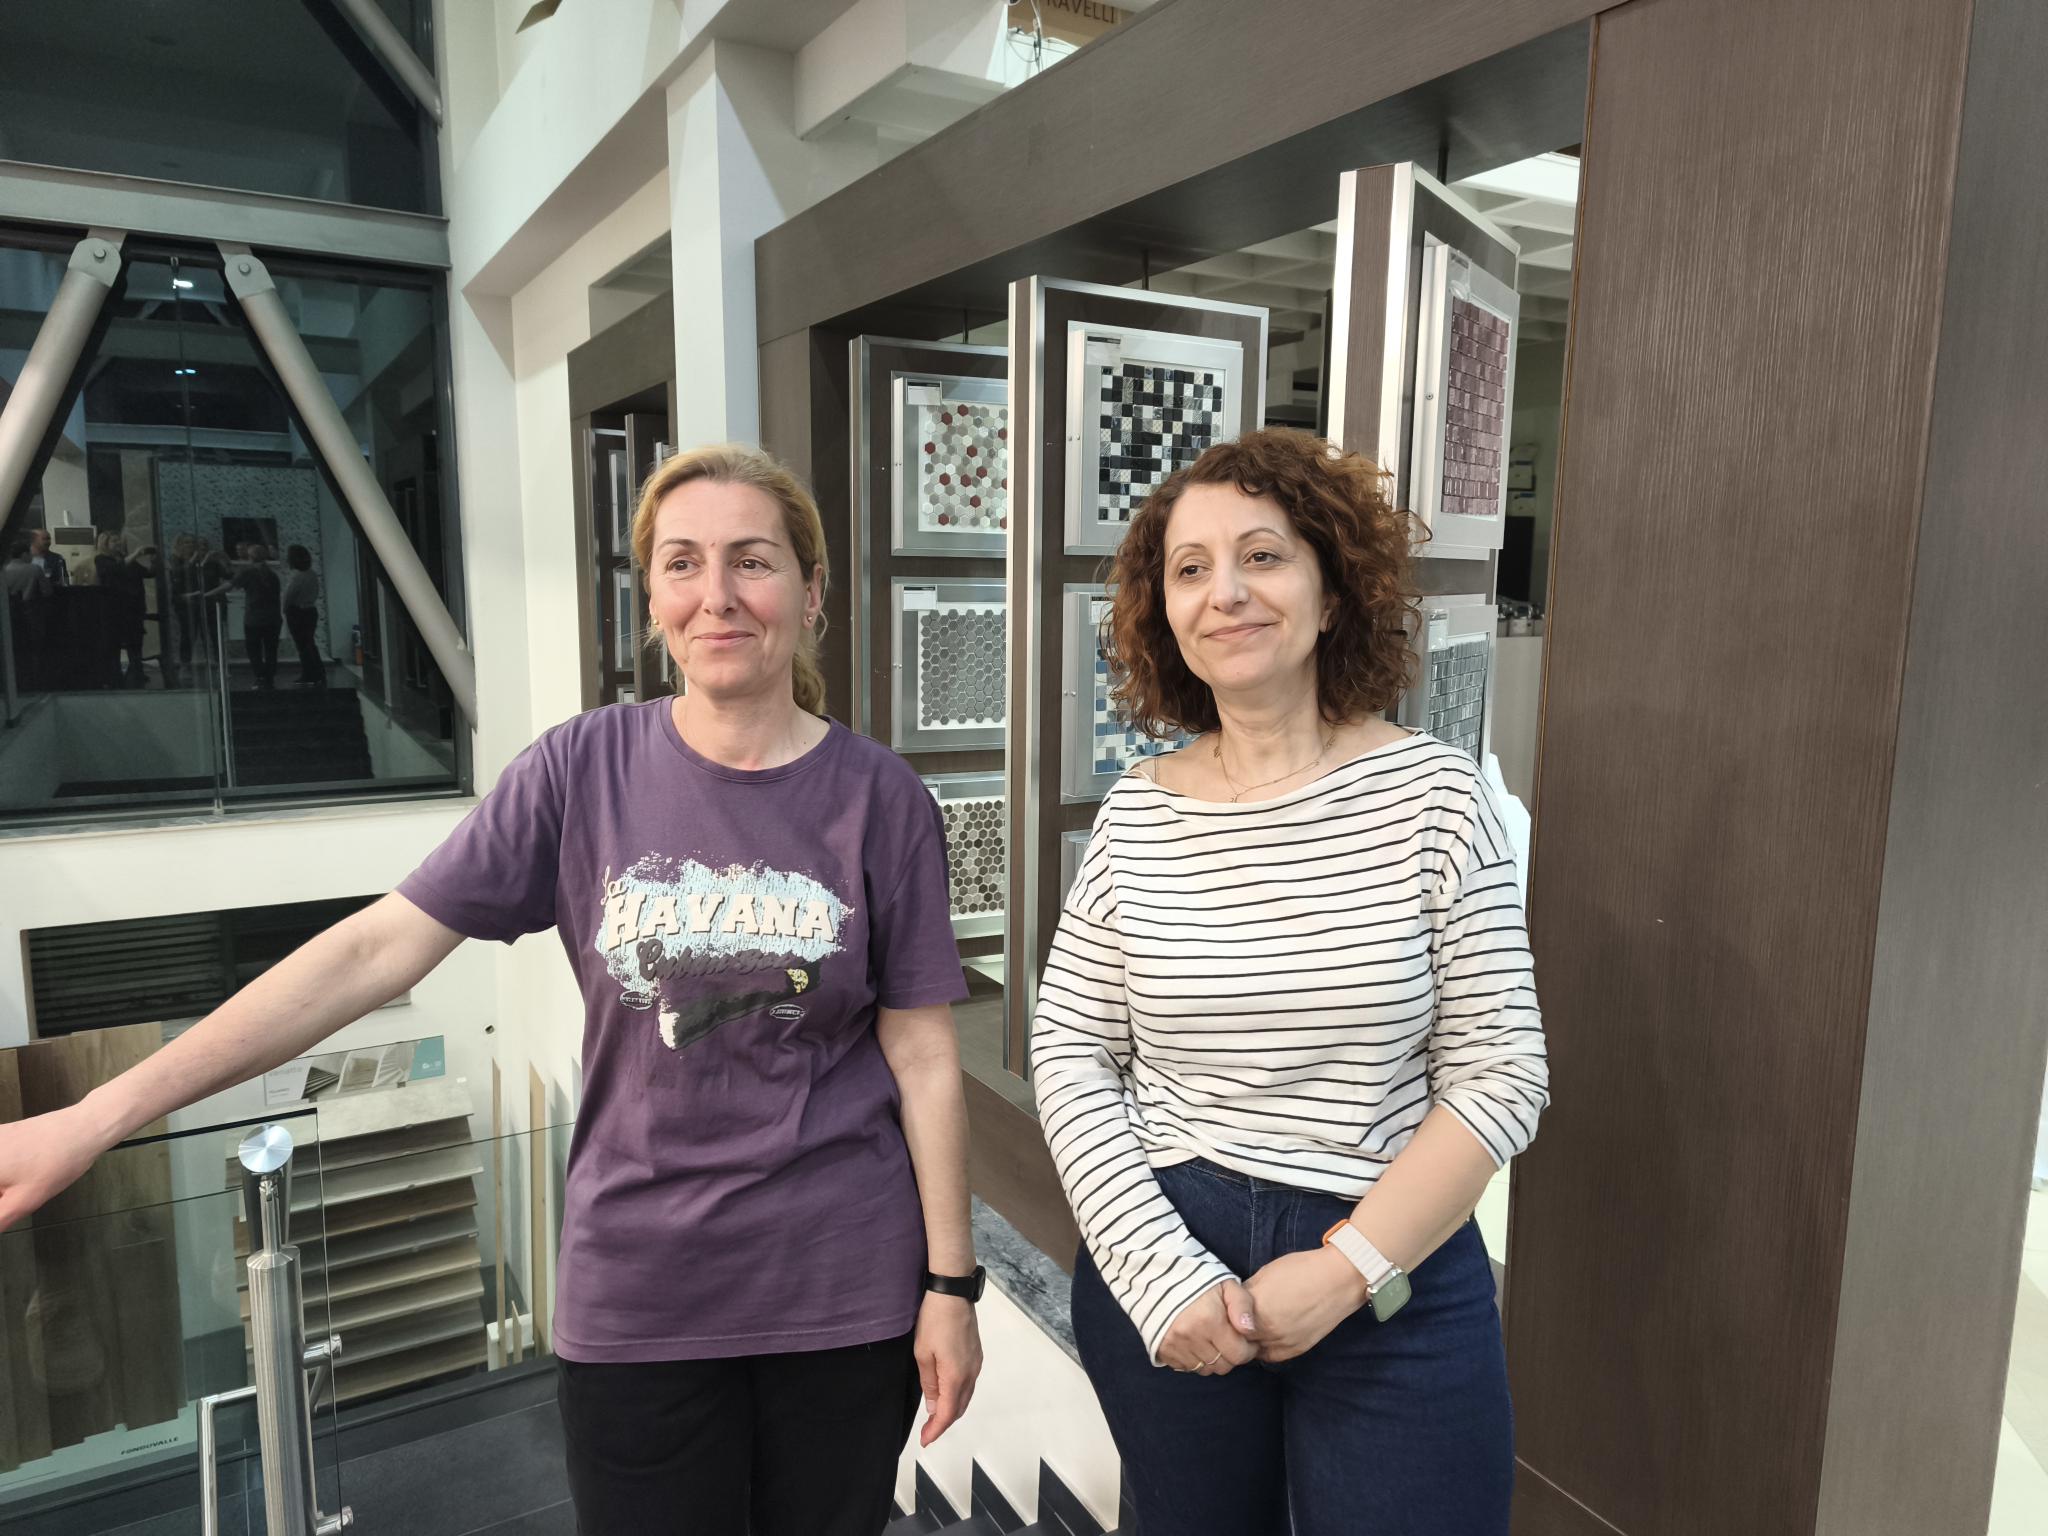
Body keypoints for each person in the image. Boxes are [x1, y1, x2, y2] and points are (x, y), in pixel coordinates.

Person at [0, 443, 985, 1536]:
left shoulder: (881, 799)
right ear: (651, 598)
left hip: (841, 1291)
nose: (717, 594)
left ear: (810, 589)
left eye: (751, 561)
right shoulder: (580, 772)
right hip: (639, 1294)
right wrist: (98, 1116)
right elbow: (372, 953)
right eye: (682, 563)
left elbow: (923, 1056)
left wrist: (952, 1288)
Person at [1032, 428, 1549, 1536]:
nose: (1225, 592)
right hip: (1171, 1251)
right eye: (1190, 568)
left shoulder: (1435, 797)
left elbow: (1500, 1072)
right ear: (1165, 615)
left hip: (1393, 1267)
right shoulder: (1136, 816)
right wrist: (1158, 1273)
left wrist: (1348, 1268)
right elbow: (1070, 1051)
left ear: (1331, 591)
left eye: (1261, 556)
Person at [208, 542, 283, 689]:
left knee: (254, 649)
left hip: (254, 618)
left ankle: (260, 677)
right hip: (273, 618)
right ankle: (269, 678)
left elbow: (229, 585)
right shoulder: (272, 575)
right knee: (271, 650)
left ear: (250, 557)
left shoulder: (248, 573)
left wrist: (208, 594)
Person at [282, 544, 324, 688]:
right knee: (309, 643)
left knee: (302, 645)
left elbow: (289, 596)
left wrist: (284, 609)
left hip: (298, 612)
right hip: (310, 610)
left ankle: (309, 674)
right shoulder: (311, 574)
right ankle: (318, 673)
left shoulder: (297, 576)